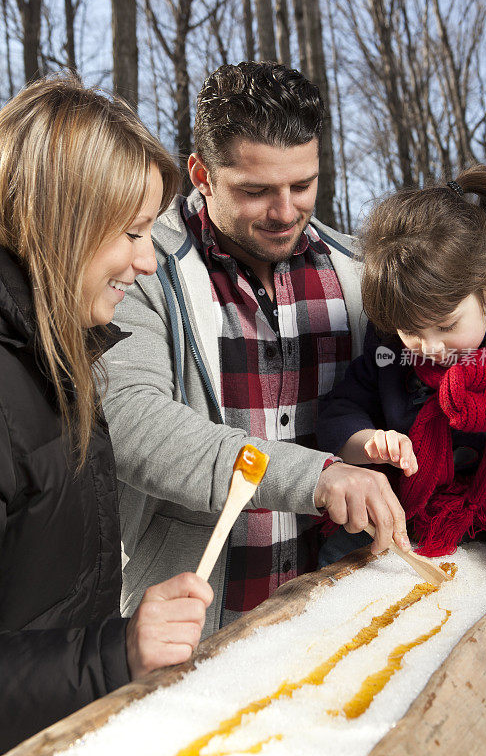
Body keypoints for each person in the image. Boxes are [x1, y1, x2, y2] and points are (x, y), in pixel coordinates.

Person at [102, 61, 411, 639]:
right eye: (256, 190)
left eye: (303, 185)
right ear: (201, 173)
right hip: (194, 626)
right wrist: (315, 476)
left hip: (340, 616)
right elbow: (133, 424)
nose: (286, 210)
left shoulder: (363, 277)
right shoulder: (141, 271)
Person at [0, 77, 213, 751]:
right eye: (131, 232)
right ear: (65, 218)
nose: (147, 262)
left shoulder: (57, 358)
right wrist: (114, 653)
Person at [317, 165, 486, 587]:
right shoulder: (389, 348)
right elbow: (342, 407)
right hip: (405, 519)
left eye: (447, 326)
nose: (431, 348)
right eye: (411, 332)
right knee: (335, 567)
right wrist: (370, 442)